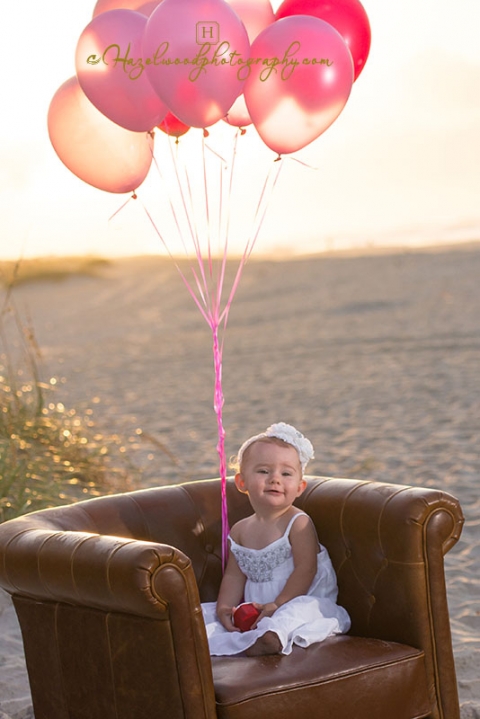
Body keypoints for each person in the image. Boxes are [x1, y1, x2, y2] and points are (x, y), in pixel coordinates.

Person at [202, 422, 351, 656]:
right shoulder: (240, 530)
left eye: (286, 473)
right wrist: (224, 607)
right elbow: (234, 575)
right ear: (242, 482)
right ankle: (248, 637)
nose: (275, 479)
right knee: (203, 616)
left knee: (294, 614)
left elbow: (306, 570)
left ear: (300, 487)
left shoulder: (297, 523)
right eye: (263, 471)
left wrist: (279, 604)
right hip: (257, 607)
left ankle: (269, 639)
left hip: (300, 598)